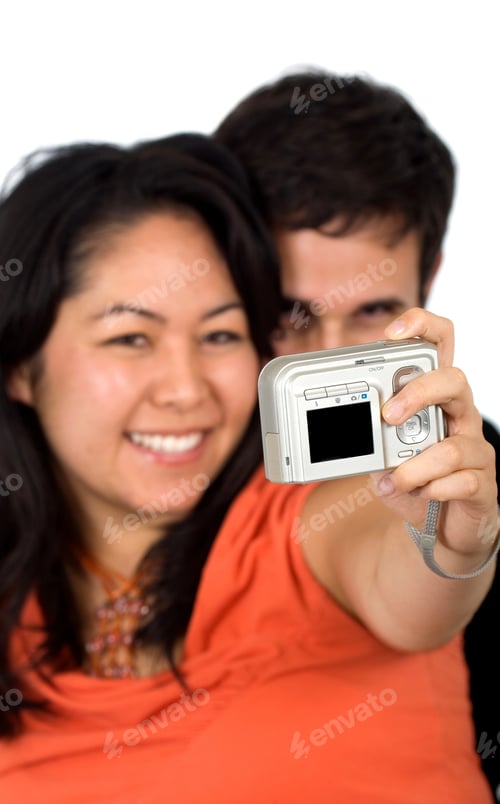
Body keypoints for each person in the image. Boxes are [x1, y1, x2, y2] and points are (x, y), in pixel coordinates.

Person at [0, 133, 498, 804]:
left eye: (220, 335)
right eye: (130, 338)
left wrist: (451, 537)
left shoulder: (314, 508)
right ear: (20, 365)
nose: (185, 389)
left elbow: (410, 578)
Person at [214, 68, 500, 799]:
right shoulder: (161, 448)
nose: (325, 361)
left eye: (373, 313)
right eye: (292, 314)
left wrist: (458, 543)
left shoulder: (478, 480)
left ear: (429, 278)